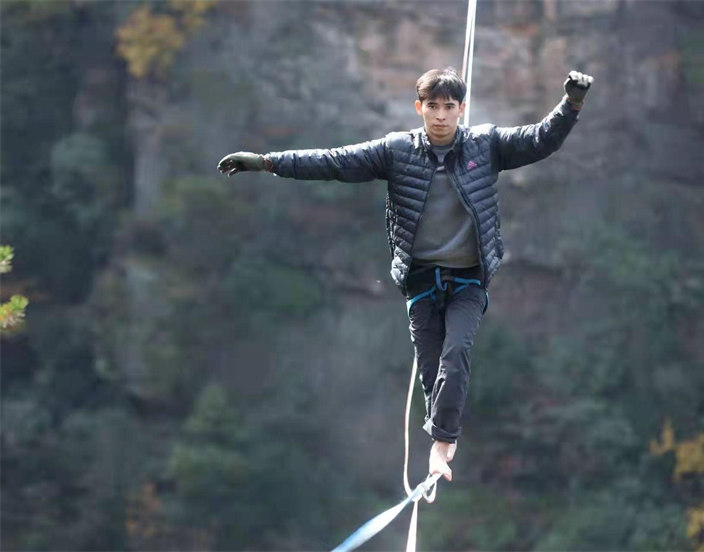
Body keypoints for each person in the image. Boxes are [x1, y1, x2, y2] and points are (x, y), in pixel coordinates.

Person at [218, 67, 593, 482]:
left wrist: (571, 103)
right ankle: (439, 440)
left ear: (461, 109)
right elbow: (333, 162)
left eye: (450, 107)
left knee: (456, 354)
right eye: (432, 106)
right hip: (421, 282)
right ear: (419, 108)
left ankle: (443, 446)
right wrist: (268, 162)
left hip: (468, 279)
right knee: (433, 370)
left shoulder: (486, 145)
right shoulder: (397, 151)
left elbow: (541, 139)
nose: (441, 116)